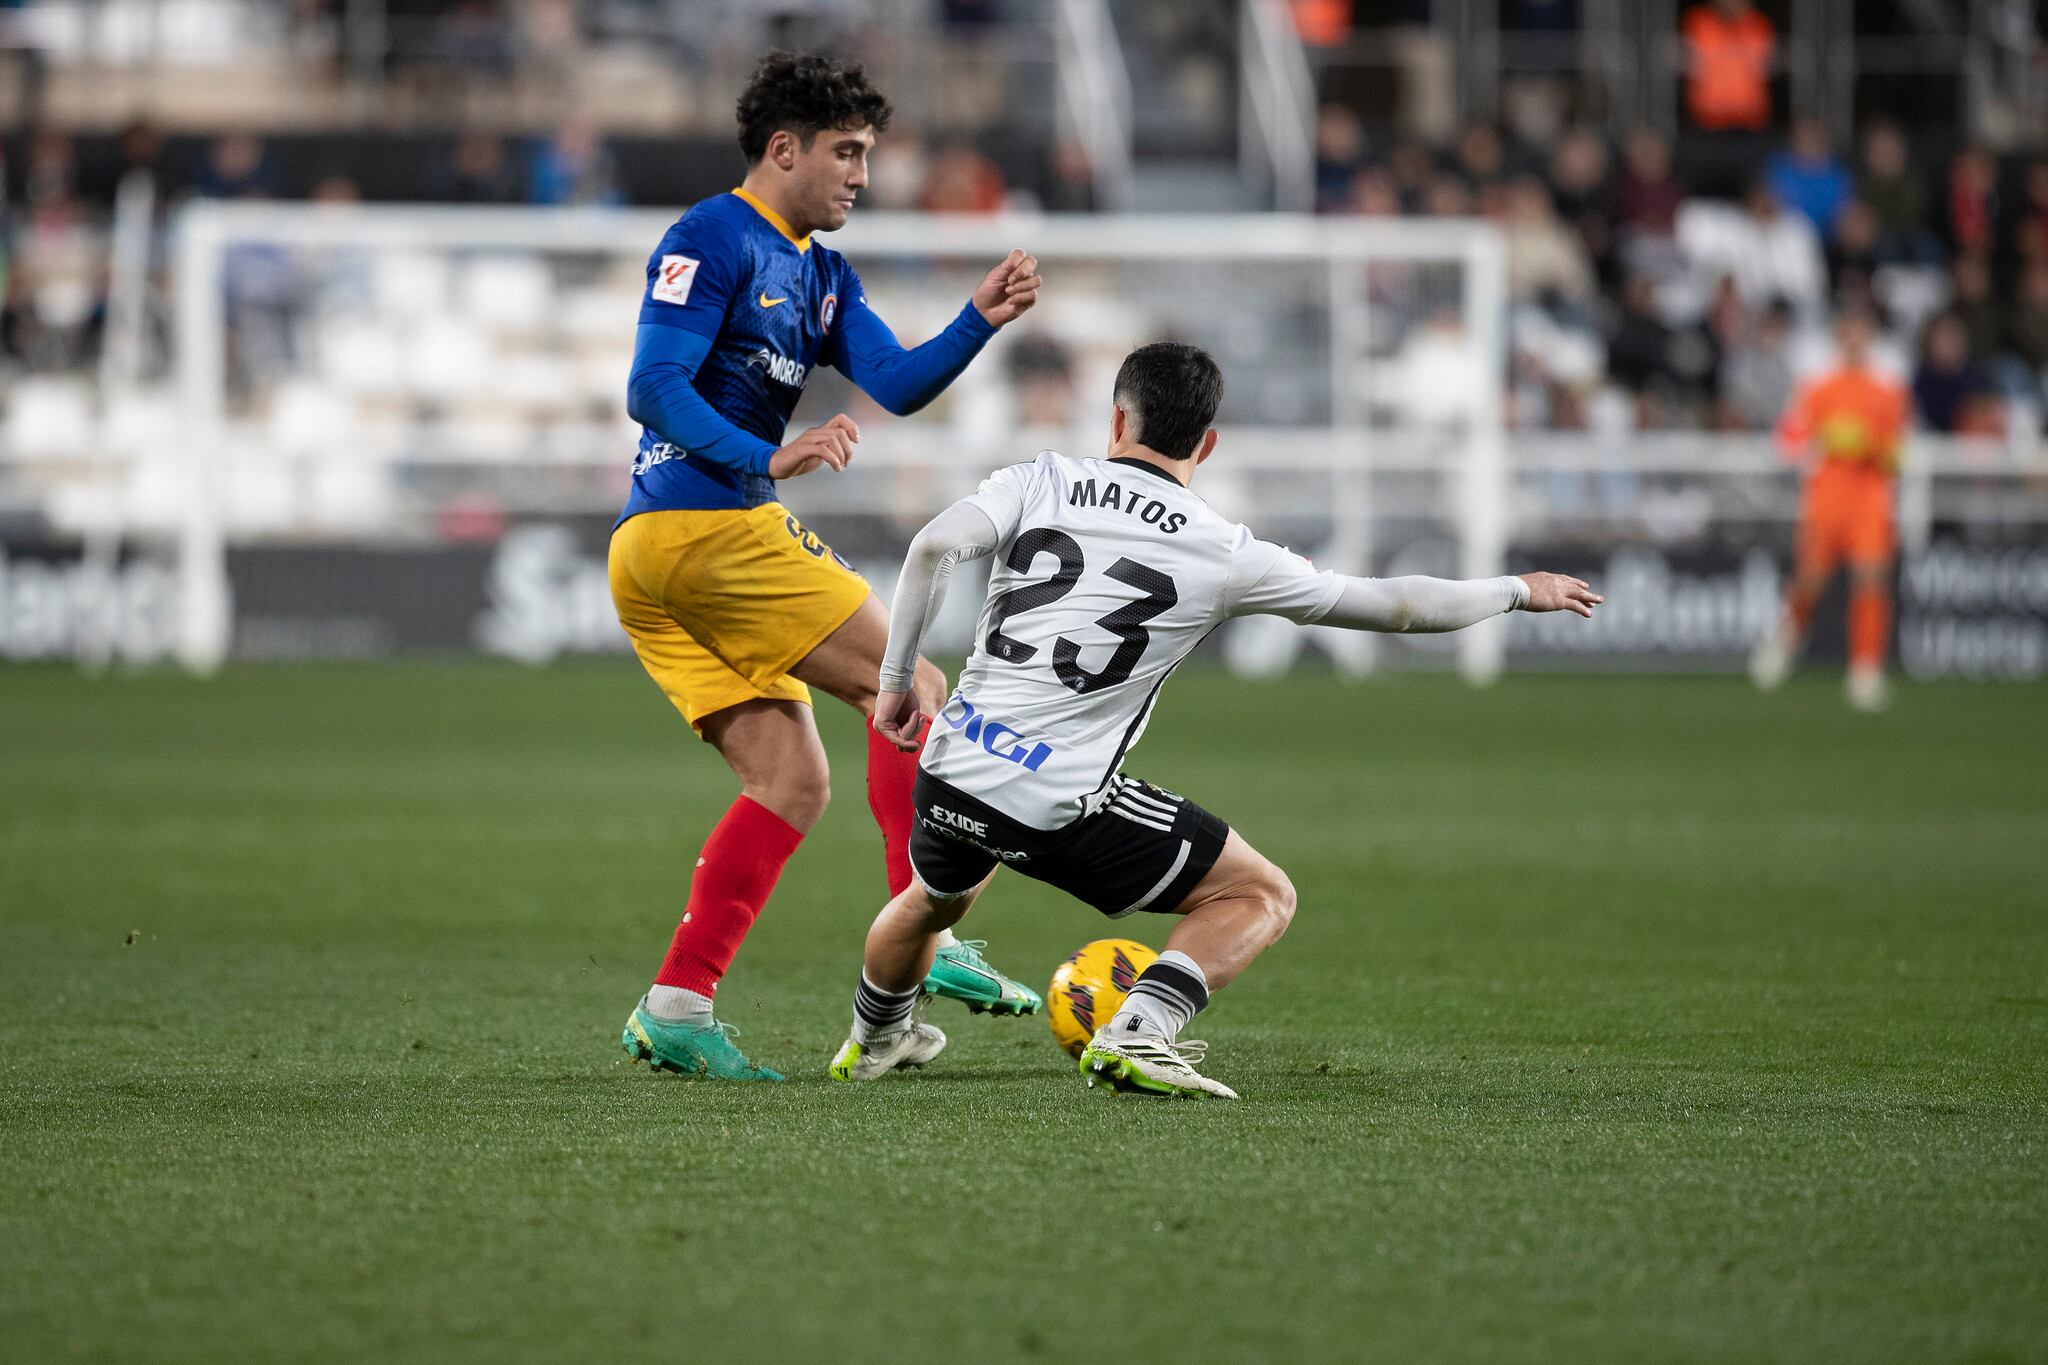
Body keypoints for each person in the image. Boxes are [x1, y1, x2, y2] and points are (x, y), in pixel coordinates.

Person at [825, 344, 1602, 1098]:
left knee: (934, 899)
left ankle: (873, 1036)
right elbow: (1392, 604)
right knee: (1260, 893)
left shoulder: (1043, 478)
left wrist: (896, 681)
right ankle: (1140, 1029)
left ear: (1116, 419)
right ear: (1208, 442)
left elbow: (932, 545)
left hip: (953, 767)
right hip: (1057, 803)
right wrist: (1513, 588)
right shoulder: (1221, 547)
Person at [614, 52, 1046, 1082]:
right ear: (782, 150)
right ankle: (926, 934)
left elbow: (893, 381)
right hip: (704, 524)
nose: (860, 173)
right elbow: (651, 385)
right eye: (845, 153)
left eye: (866, 153)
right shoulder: (710, 236)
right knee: (913, 686)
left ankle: (675, 1004)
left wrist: (976, 319)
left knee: (791, 778)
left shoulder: (821, 271)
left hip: (657, 554)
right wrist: (764, 454)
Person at [1751, 309, 1909, 711]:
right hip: (1826, 498)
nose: (1855, 339)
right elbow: (1787, 438)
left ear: (1870, 337)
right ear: (1840, 337)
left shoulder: (1887, 391)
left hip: (1870, 499)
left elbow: (1897, 456)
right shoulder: (1818, 388)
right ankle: (1786, 643)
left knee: (1871, 578)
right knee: (1810, 580)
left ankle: (1866, 670)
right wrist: (1823, 435)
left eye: (1861, 332)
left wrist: (1867, 445)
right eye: (1848, 332)